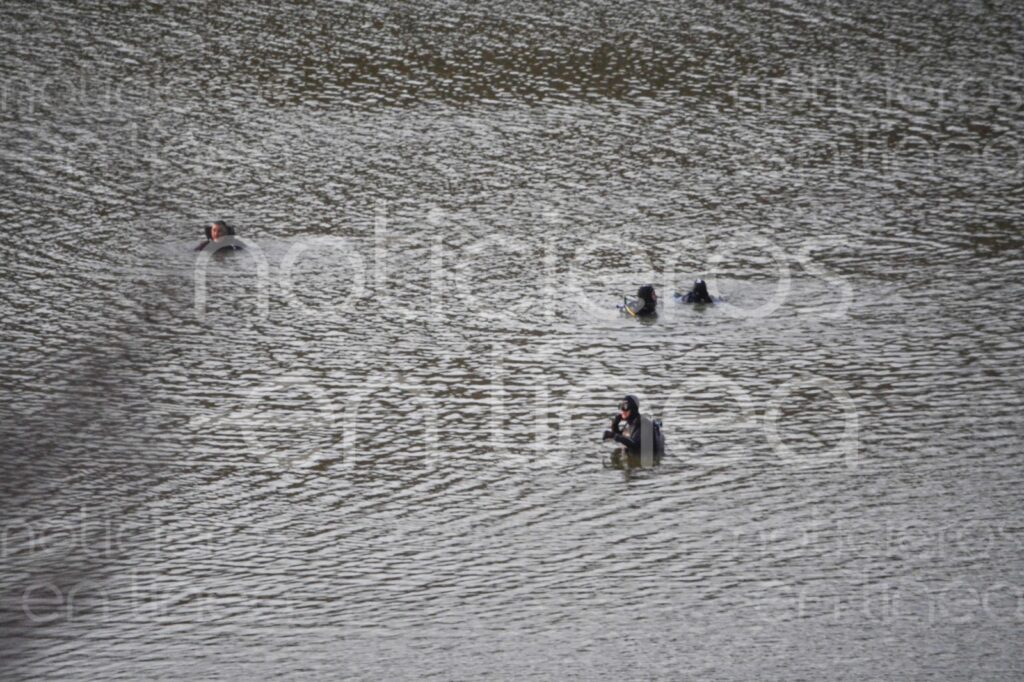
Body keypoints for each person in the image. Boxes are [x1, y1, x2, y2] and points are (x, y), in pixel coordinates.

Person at [602, 394, 665, 459]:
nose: (622, 410)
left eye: (625, 406)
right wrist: (615, 425)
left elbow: (635, 446)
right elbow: (623, 440)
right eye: (621, 406)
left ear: (633, 408)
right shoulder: (632, 423)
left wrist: (614, 435)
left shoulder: (642, 424)